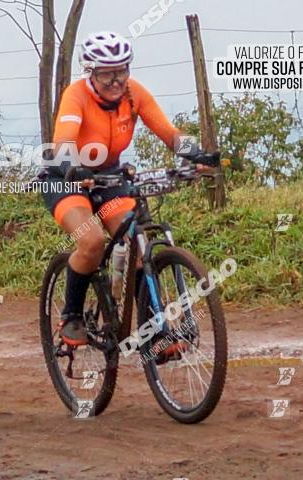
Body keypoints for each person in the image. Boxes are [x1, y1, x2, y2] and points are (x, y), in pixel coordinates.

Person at [42, 30, 210, 346]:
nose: (116, 80)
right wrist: (71, 167)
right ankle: (72, 317)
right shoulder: (76, 95)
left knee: (139, 246)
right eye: (107, 74)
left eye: (122, 70)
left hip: (108, 178)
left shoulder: (134, 94)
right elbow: (63, 139)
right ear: (91, 72)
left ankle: (153, 336)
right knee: (91, 241)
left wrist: (196, 152)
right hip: (65, 178)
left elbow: (170, 133)